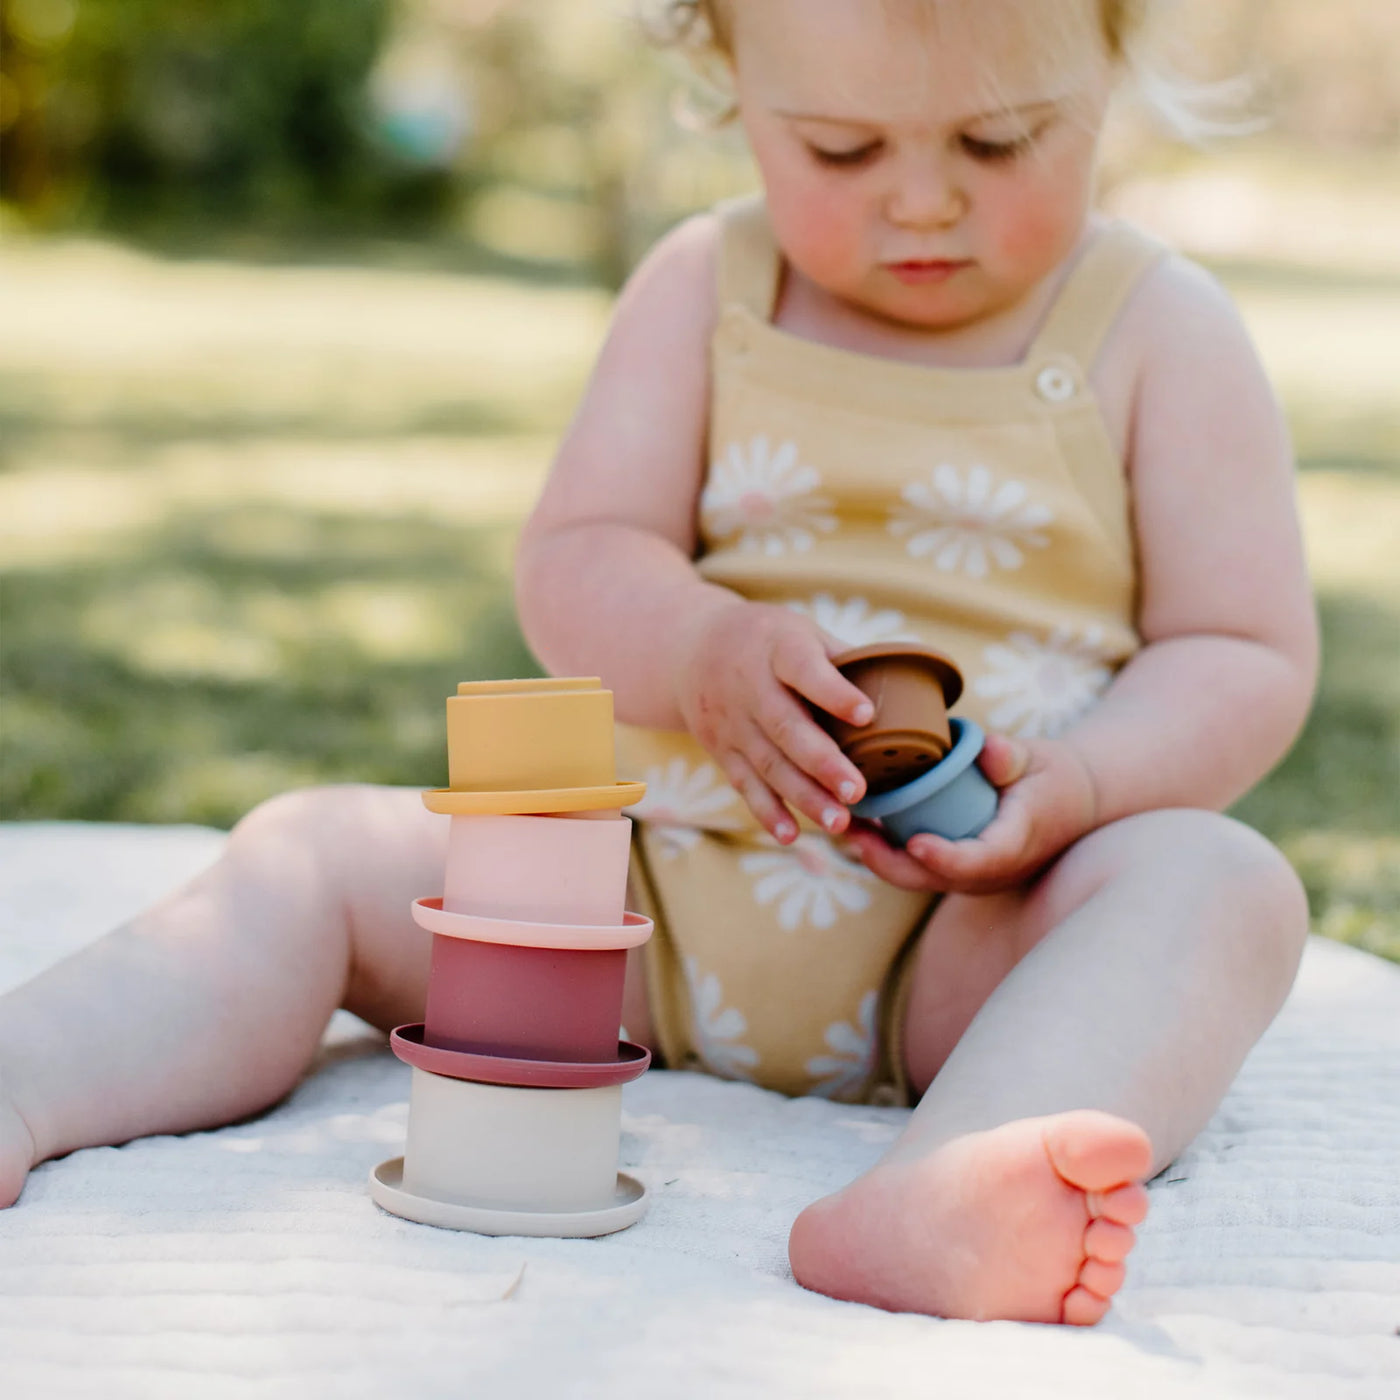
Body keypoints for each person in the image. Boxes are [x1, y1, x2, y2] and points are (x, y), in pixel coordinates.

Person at [0, 0, 1316, 1327]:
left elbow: (1242, 648)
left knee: (1221, 882)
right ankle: (28, 1078)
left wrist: (1081, 789)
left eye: (1000, 140)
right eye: (842, 150)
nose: (923, 203)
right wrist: (698, 648)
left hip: (971, 941)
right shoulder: (707, 289)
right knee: (309, 855)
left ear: (1114, 64)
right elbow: (576, 552)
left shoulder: (1156, 331)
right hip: (619, 902)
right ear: (728, 82)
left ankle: (956, 1183)